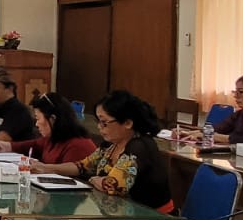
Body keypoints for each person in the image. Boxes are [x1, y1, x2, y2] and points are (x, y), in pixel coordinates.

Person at [34, 89, 174, 211]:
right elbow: (83, 166)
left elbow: (114, 186)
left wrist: (95, 180)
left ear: (127, 123)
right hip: (120, 213)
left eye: (104, 122)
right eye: (98, 121)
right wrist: (46, 168)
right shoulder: (110, 145)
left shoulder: (140, 146)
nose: (99, 127)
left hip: (151, 218)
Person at [0, 93, 97, 165]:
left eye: (38, 118)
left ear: (52, 119)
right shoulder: (53, 138)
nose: (36, 124)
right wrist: (7, 146)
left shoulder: (77, 146)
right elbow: (34, 145)